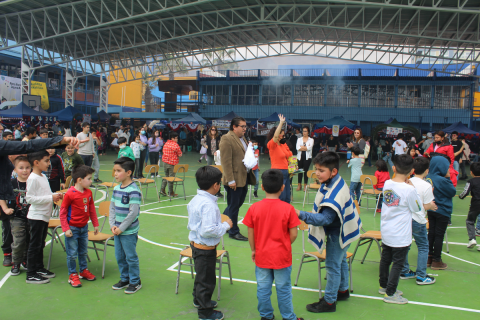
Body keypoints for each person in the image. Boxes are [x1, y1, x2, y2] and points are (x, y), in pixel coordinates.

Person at [297, 151, 361, 313]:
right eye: (316, 169)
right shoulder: (336, 181)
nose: (317, 173)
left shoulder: (334, 193)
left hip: (338, 234)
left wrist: (300, 214)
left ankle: (330, 301)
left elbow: (325, 219)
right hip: (348, 228)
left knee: (332, 265)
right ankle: (343, 290)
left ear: (333, 171)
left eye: (321, 170)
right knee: (340, 261)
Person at [243, 169, 302, 320]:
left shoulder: (254, 208)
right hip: (282, 257)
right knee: (284, 289)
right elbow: (294, 233)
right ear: (283, 187)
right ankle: (288, 317)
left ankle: (266, 315)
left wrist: (253, 249)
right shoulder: (288, 209)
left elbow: (251, 232)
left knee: (263, 288)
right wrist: (284, 245)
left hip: (262, 256)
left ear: (262, 186)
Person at [187, 166, 233, 320]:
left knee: (201, 276)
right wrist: (226, 226)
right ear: (215, 185)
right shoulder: (208, 205)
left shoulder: (197, 199)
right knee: (207, 281)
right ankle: (205, 311)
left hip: (196, 244)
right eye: (219, 183)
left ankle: (198, 299)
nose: (219, 186)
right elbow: (208, 230)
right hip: (205, 247)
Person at [379, 154, 422, 304]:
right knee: (398, 263)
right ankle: (390, 293)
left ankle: (384, 286)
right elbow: (417, 208)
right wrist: (413, 189)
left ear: (394, 168)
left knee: (386, 259)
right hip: (400, 234)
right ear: (411, 172)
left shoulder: (387, 183)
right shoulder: (409, 190)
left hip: (386, 229)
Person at [26, 150, 63, 284]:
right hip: (36, 216)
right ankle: (31, 274)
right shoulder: (32, 178)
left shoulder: (42, 176)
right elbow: (30, 198)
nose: (49, 163)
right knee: (34, 245)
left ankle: (39, 268)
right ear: (36, 163)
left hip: (44, 216)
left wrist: (54, 195)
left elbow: (45, 194)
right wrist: (50, 197)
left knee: (40, 244)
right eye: (46, 161)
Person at [60, 165, 99, 287]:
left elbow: (91, 208)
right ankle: (72, 274)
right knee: (72, 254)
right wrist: (66, 229)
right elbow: (63, 212)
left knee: (83, 252)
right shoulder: (70, 194)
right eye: (89, 178)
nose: (91, 181)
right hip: (72, 229)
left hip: (84, 228)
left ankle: (83, 270)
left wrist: (95, 224)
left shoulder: (88, 192)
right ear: (79, 180)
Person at [400, 157, 437, 285]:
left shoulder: (406, 181)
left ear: (413, 169)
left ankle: (404, 270)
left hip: (405, 218)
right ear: (427, 171)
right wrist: (431, 206)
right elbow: (424, 206)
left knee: (406, 245)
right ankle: (421, 275)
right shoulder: (427, 186)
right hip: (418, 219)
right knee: (423, 246)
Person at [109, 157, 142, 294]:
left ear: (128, 172)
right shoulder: (116, 189)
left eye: (118, 171)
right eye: (114, 171)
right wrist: (112, 225)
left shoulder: (133, 190)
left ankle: (135, 281)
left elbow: (133, 213)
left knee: (130, 257)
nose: (115, 174)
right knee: (119, 256)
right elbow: (112, 208)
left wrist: (121, 228)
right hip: (117, 231)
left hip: (128, 232)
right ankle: (124, 278)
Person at [220, 116, 250, 241]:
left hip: (244, 177)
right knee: (234, 206)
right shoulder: (227, 138)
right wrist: (231, 180)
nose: (245, 128)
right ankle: (233, 231)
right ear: (234, 127)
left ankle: (224, 222)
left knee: (236, 204)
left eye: (245, 126)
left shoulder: (243, 138)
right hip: (234, 179)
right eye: (242, 126)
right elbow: (226, 162)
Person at [425, 154, 456, 270]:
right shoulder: (443, 180)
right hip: (443, 210)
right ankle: (437, 260)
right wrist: (447, 178)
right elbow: (452, 192)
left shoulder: (428, 177)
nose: (448, 170)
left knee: (431, 233)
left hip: (431, 209)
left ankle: (429, 257)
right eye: (447, 167)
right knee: (439, 235)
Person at [3, 156, 31, 275]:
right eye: (21, 168)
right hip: (16, 217)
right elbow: (2, 196)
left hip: (32, 216)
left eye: (27, 167)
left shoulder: (33, 181)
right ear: (14, 170)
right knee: (18, 241)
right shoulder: (11, 183)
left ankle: (25, 260)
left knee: (29, 240)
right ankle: (16, 262)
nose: (24, 170)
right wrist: (5, 209)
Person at [266, 114, 293, 203]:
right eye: (281, 135)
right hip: (278, 172)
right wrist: (281, 123)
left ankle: (286, 215)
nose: (283, 137)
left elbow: (290, 155)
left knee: (287, 197)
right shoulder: (272, 145)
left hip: (286, 172)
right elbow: (275, 136)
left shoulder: (283, 144)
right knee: (282, 197)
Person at [459, 162, 480, 251]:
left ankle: (472, 239)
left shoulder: (471, 181)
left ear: (471, 172)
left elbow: (465, 192)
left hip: (475, 204)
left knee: (470, 221)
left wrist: (461, 196)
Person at [160, 132, 183, 197]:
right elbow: (180, 154)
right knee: (171, 178)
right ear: (172, 138)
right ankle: (171, 192)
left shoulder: (166, 144)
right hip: (172, 163)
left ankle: (162, 189)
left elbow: (163, 151)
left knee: (166, 176)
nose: (177, 139)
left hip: (165, 162)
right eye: (176, 138)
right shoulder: (175, 145)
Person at [296, 126, 314, 192]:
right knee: (299, 171)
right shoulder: (299, 139)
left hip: (307, 158)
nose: (304, 132)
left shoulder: (311, 140)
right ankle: (299, 185)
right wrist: (304, 147)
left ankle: (305, 186)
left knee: (305, 171)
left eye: (305, 131)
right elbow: (297, 147)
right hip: (299, 157)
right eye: (303, 131)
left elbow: (309, 148)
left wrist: (302, 147)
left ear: (308, 132)